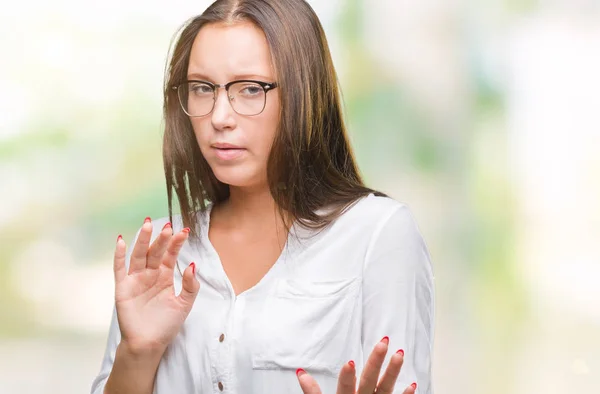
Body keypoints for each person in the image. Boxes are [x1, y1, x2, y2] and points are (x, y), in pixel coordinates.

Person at [90, 0, 435, 393]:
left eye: (250, 89)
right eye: (203, 88)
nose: (219, 116)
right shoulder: (163, 254)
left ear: (303, 94)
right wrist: (138, 350)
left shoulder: (377, 235)